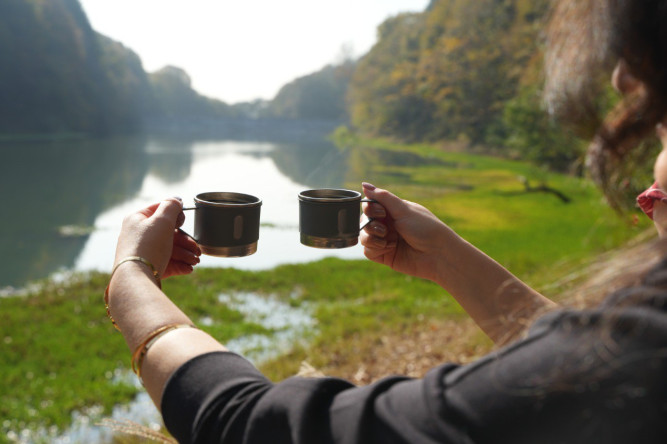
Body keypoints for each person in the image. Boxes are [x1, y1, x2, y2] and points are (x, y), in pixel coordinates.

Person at [105, 1, 667, 442]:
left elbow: (259, 429)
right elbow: (589, 358)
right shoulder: (640, 356)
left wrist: (131, 282)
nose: (620, 81)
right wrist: (445, 255)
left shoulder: (645, 365)